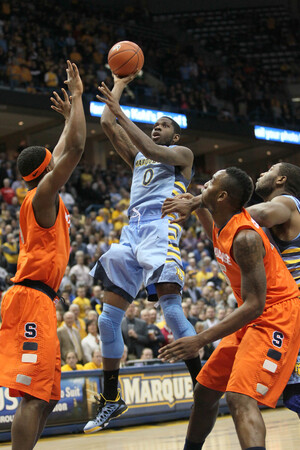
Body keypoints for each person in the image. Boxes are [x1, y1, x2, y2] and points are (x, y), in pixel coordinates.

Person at [84, 73, 201, 434]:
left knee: (171, 312)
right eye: (154, 125)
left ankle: (203, 384)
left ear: (175, 136)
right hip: (131, 232)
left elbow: (152, 150)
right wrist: (120, 82)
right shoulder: (137, 158)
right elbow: (106, 122)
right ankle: (112, 397)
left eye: (164, 125)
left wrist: (122, 111)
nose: (157, 128)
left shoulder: (181, 154)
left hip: (159, 229)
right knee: (106, 320)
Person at [159, 167, 300, 450]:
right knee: (205, 392)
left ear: (222, 196)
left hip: (275, 315)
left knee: (240, 397)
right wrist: (197, 206)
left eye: (211, 183)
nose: (204, 185)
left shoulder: (247, 236)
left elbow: (255, 305)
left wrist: (200, 339)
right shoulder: (221, 223)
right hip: (251, 315)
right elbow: (215, 233)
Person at [0, 60, 86, 450]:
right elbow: (78, 147)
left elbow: (67, 144)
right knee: (34, 396)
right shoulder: (45, 196)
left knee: (49, 396)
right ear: (47, 170)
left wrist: (70, 117)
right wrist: (80, 99)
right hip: (29, 300)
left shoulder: (39, 191)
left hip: (42, 300)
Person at [247, 162, 300, 418]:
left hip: (294, 310)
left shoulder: (288, 203)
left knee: (296, 395)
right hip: (283, 313)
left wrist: (222, 209)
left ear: (281, 179)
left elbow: (265, 214)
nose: (260, 173)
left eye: (267, 170)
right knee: (294, 396)